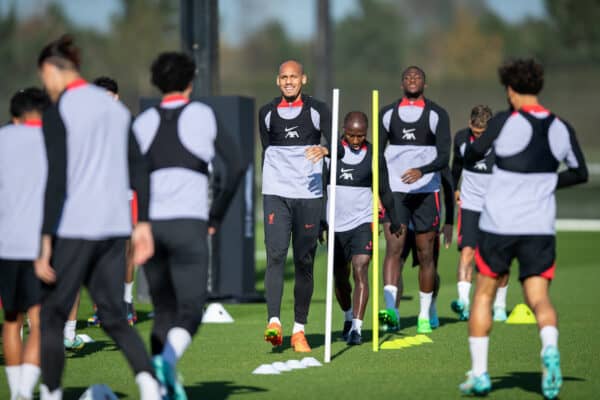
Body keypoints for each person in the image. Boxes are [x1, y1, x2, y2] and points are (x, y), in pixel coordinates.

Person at [34, 35, 161, 400]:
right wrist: (143, 224)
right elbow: (140, 167)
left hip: (76, 226)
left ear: (51, 70)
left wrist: (44, 241)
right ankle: (150, 386)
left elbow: (56, 179)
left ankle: (52, 392)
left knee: (54, 315)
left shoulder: (60, 110)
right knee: (114, 317)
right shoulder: (116, 110)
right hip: (114, 225)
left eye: (45, 77)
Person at [459, 58, 588, 399]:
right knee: (539, 299)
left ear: (511, 90)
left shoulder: (504, 121)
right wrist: (545, 182)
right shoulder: (562, 127)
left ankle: (480, 373)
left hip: (499, 224)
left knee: (484, 294)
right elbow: (580, 173)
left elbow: (473, 153)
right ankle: (549, 349)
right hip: (539, 227)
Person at [132, 51, 243, 399]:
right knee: (191, 309)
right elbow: (237, 165)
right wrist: (217, 215)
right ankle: (166, 362)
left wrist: (139, 225)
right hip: (189, 225)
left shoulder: (141, 122)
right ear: (190, 82)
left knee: (162, 310)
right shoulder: (202, 114)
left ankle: (155, 389)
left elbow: (131, 179)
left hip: (150, 227)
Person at [259, 59, 340, 352]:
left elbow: (340, 147)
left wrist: (327, 149)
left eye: (294, 76)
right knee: (276, 256)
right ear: (278, 81)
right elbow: (267, 152)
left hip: (309, 196)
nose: (289, 81)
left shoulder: (318, 110)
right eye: (284, 77)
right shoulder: (266, 113)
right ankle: (274, 322)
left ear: (303, 79)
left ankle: (299, 330)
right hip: (276, 194)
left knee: (304, 262)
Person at [378, 65, 451, 334]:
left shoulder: (436, 114)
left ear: (425, 83)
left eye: (417, 76)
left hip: (426, 192)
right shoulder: (387, 113)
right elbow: (377, 155)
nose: (412, 79)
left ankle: (423, 313)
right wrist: (379, 192)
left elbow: (444, 156)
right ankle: (391, 312)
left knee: (425, 254)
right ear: (401, 83)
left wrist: (423, 170)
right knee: (393, 250)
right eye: (407, 76)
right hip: (395, 193)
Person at [0, 87, 50, 400]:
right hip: (39, 243)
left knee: (10, 320)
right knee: (40, 320)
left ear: (14, 115)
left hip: (5, 243)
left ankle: (17, 390)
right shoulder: (53, 144)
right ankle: (24, 390)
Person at [86, 76, 138, 327]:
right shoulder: (87, 126)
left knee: (127, 250)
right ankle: (101, 306)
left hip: (125, 194)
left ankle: (127, 303)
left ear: (116, 97)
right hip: (96, 196)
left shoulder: (128, 122)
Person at [451, 105, 509, 322]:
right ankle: (464, 303)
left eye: (483, 134)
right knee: (467, 252)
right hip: (470, 204)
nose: (479, 137)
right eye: (475, 132)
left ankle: (500, 305)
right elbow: (455, 166)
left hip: (497, 206)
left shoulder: (504, 142)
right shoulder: (461, 139)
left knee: (499, 256)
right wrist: (456, 188)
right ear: (469, 125)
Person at [380, 166, 454, 331]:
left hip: (426, 217)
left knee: (428, 263)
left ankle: (429, 309)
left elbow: (449, 187)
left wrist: (449, 221)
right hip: (402, 215)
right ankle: (394, 314)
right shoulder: (398, 156)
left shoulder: (433, 154)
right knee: (396, 260)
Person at [328, 111, 373, 346]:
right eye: (352, 135)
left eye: (361, 136)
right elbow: (320, 188)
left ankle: (357, 327)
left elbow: (383, 188)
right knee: (340, 278)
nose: (356, 140)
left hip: (363, 222)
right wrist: (320, 224)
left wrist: (390, 218)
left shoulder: (373, 154)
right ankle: (347, 317)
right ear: (344, 131)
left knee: (361, 268)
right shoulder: (332, 153)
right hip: (336, 225)